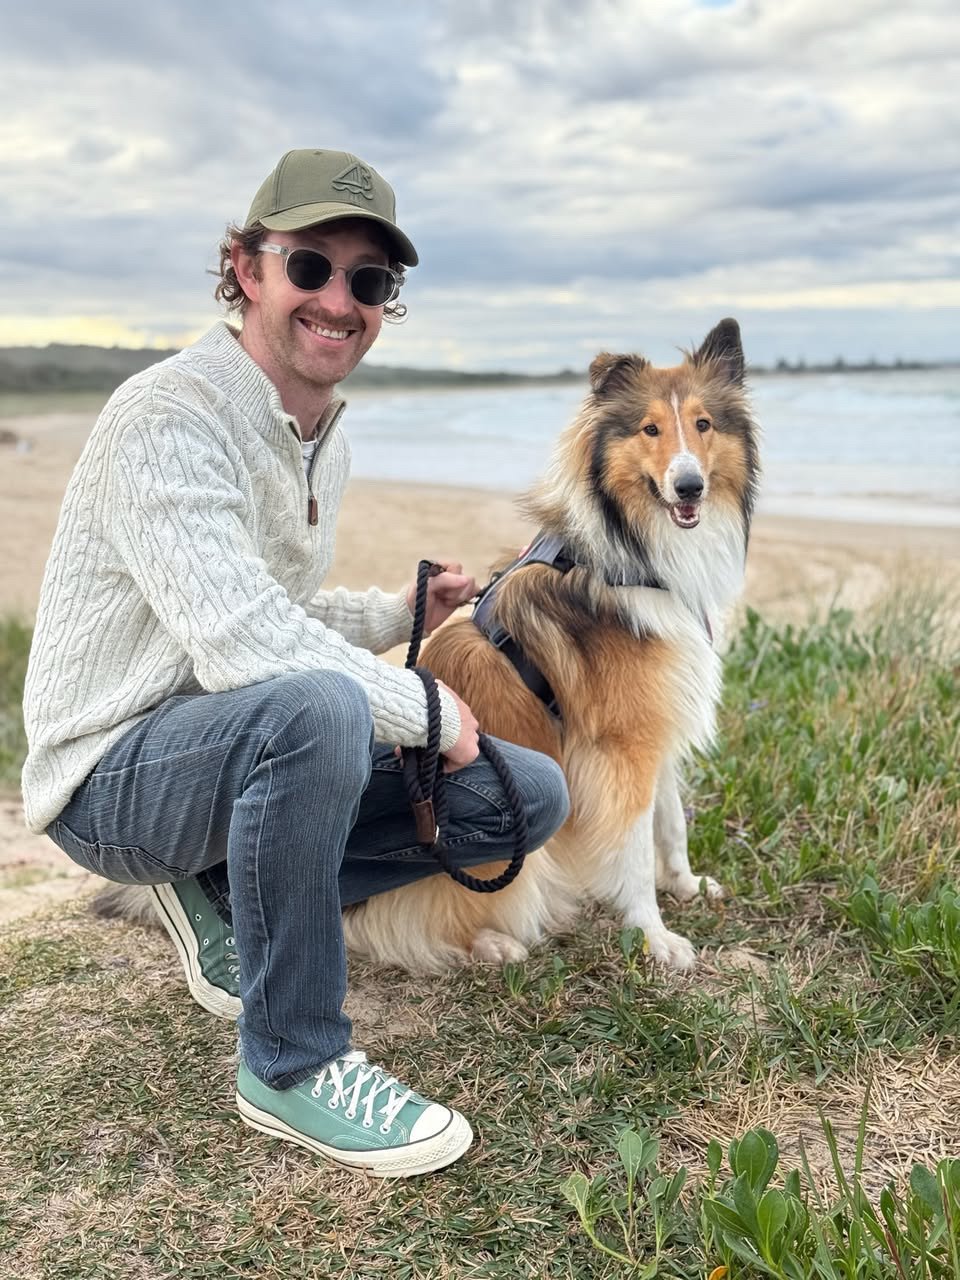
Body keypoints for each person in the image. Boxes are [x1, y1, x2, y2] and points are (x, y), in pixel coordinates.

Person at [21, 149, 569, 1178]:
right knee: (317, 708)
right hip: (109, 771)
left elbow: (268, 604)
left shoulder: (323, 433)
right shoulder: (167, 415)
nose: (339, 300)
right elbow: (242, 640)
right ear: (245, 266)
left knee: (524, 795)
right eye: (311, 265)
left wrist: (401, 611)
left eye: (370, 282)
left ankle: (225, 889)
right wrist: (422, 702)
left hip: (225, 747)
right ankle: (292, 1060)